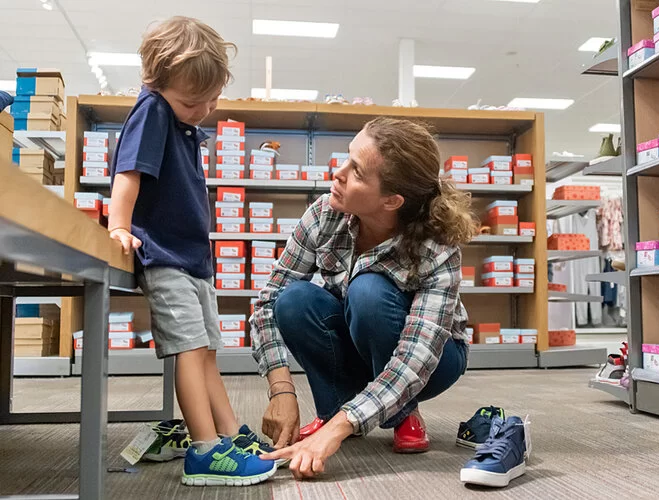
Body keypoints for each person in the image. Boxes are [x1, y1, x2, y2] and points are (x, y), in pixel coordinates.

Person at [250, 117, 476, 479]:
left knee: (368, 291)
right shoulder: (325, 213)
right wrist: (281, 391)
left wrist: (337, 431)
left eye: (356, 171)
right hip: (361, 344)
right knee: (293, 301)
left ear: (392, 200)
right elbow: (267, 302)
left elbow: (414, 360)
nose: (338, 173)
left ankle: (398, 413)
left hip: (435, 359)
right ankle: (339, 409)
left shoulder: (437, 247)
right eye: (346, 158)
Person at [108, 16, 277, 487]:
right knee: (189, 348)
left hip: (192, 259)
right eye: (192, 101)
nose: (204, 109)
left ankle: (230, 435)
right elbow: (128, 174)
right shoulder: (153, 110)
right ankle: (204, 451)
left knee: (206, 352)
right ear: (155, 83)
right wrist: (119, 225)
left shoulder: (180, 119)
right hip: (163, 256)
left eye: (212, 99)